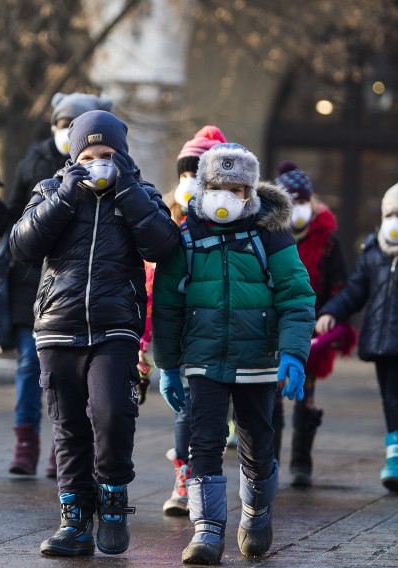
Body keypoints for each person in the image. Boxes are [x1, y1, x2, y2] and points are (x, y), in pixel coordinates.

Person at [10, 110, 180, 557]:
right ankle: (74, 519)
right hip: (58, 326)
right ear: (73, 156)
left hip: (115, 325)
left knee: (112, 415)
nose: (97, 162)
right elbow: (23, 245)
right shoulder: (51, 190)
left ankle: (112, 500)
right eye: (88, 154)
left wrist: (126, 191)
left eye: (107, 154)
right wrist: (66, 194)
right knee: (68, 427)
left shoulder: (140, 193)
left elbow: (164, 246)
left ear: (122, 155)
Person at [152, 142, 315, 564]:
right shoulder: (186, 235)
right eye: (220, 185)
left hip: (257, 361)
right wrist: (168, 365)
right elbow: (167, 304)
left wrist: (294, 354)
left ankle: (257, 513)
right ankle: (206, 531)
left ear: (251, 193)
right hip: (203, 360)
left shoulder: (270, 234)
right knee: (202, 443)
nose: (229, 195)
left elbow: (297, 296)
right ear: (205, 185)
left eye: (238, 189)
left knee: (257, 442)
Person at [0, 91, 114, 478]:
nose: (64, 130)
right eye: (60, 124)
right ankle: (25, 446)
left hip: (74, 289)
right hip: (30, 285)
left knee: (67, 378)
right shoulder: (33, 163)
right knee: (26, 367)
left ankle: (60, 448)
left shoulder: (107, 170)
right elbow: (17, 229)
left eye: (73, 124)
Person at [316, 182, 398, 494]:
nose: (394, 220)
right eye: (390, 213)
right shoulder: (374, 251)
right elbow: (355, 290)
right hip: (379, 340)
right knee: (389, 397)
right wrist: (332, 312)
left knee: (394, 394)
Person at [157, 124, 226, 516]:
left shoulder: (231, 219)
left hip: (218, 329)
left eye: (196, 173)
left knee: (212, 410)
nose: (188, 181)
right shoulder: (165, 215)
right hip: (180, 331)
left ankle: (214, 477)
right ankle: (185, 481)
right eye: (184, 172)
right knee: (185, 407)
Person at [271, 160, 354, 487]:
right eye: (292, 202)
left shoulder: (329, 241)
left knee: (306, 393)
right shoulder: (269, 235)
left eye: (303, 201)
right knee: (271, 396)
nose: (298, 209)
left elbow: (340, 284)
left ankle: (302, 462)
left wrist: (330, 314)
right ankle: (270, 461)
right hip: (273, 328)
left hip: (311, 330)